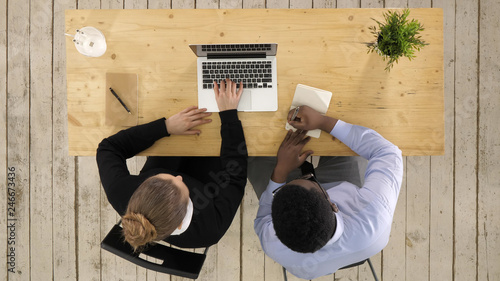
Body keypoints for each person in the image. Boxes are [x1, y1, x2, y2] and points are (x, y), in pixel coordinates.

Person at [251, 105, 403, 279]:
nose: (307, 175)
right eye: (310, 180)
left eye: (309, 177)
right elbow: (387, 152)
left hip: (298, 189)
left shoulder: (273, 243)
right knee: (348, 124)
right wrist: (322, 121)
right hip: (349, 200)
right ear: (333, 204)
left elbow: (263, 218)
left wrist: (281, 171)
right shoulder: (373, 214)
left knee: (254, 152)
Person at [97, 79, 247, 251]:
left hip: (173, 143)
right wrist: (229, 115)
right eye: (182, 184)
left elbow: (108, 148)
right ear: (181, 222)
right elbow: (236, 175)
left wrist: (165, 127)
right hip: (214, 174)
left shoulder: (121, 192)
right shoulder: (210, 229)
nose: (179, 176)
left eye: (162, 176)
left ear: (142, 186)